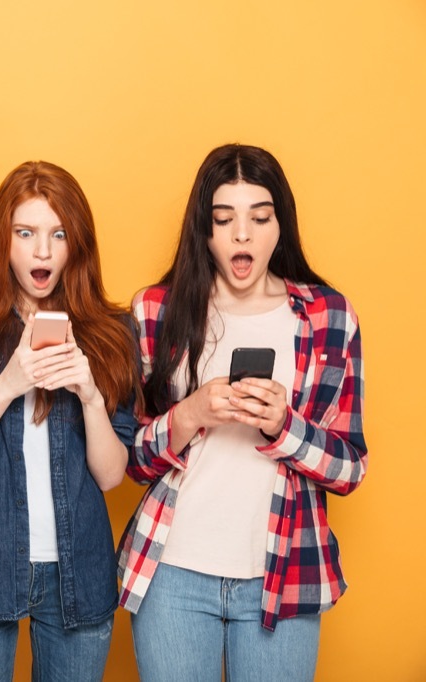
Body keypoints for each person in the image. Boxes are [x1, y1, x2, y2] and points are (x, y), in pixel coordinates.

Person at [117, 144, 367, 681]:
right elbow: (130, 461)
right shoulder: (156, 311)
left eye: (259, 217)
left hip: (285, 571)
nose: (242, 235)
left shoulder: (329, 317)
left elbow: (350, 470)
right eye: (224, 219)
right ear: (203, 230)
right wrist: (192, 412)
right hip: (172, 572)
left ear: (281, 224)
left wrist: (285, 426)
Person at [0, 161, 138, 682]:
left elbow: (112, 475)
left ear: (76, 245)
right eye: (26, 233)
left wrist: (88, 393)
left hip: (78, 574)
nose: (42, 251)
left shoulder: (114, 332)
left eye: (58, 234)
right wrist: (7, 384)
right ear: (4, 241)